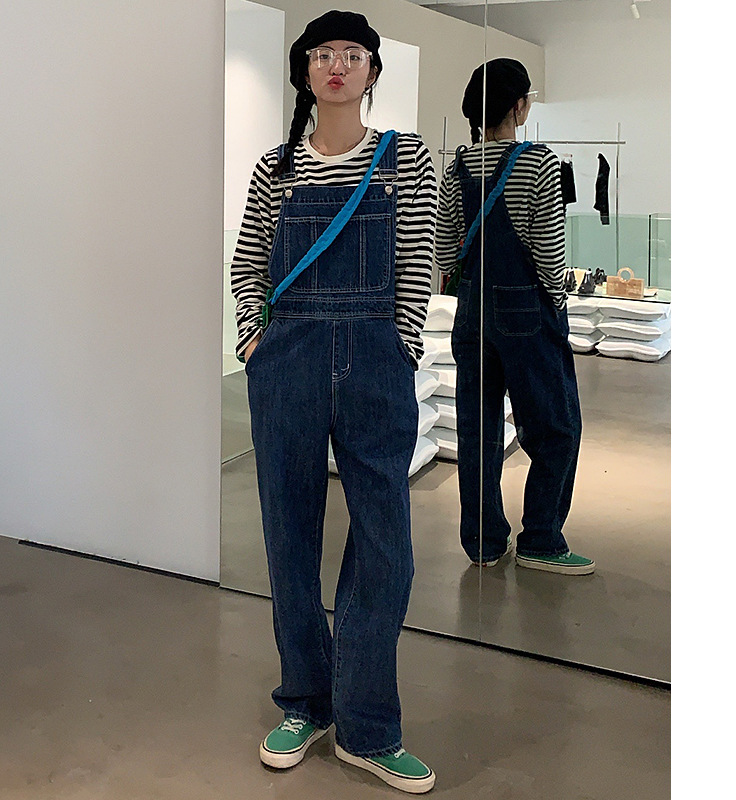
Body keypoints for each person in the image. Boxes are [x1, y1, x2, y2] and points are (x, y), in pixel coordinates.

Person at [230, 10, 437, 794]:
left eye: (353, 54)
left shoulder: (405, 157)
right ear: (305, 71)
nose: (338, 65)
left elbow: (416, 260)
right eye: (323, 54)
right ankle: (305, 700)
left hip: (376, 355)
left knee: (385, 540)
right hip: (286, 358)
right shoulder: (274, 167)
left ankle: (368, 723)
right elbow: (248, 264)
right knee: (289, 532)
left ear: (373, 70)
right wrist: (253, 339)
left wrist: (403, 345)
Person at [435, 58, 595, 576]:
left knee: (478, 430)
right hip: (526, 313)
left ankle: (483, 542)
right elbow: (550, 254)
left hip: (471, 315)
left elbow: (444, 252)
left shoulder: (456, 168)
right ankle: (541, 538)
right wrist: (559, 299)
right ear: (520, 106)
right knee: (555, 427)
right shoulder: (539, 163)